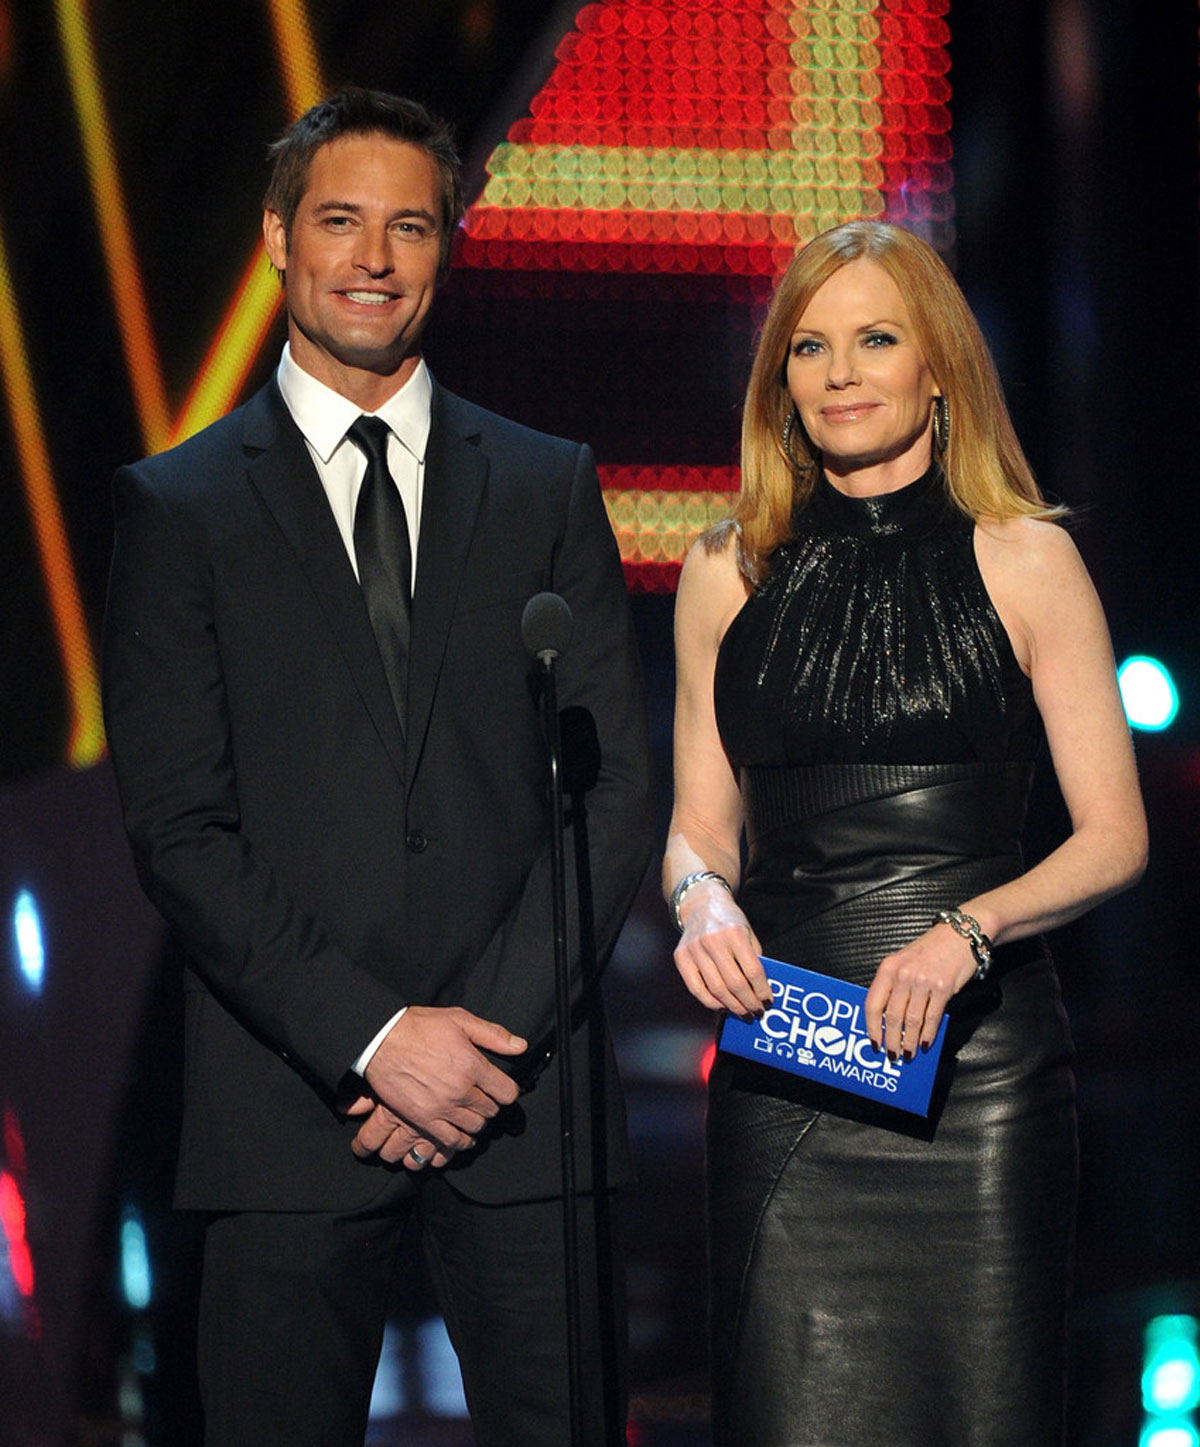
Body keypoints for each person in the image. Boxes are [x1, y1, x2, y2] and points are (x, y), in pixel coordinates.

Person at [102, 88, 652, 1447]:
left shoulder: (544, 483)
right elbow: (179, 824)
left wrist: (473, 1047)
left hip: (525, 1108)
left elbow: (612, 784)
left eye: (410, 226)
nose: (374, 257)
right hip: (291, 1110)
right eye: (340, 221)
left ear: (447, 246)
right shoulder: (177, 509)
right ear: (279, 237)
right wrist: (376, 1038)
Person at [664, 219, 1146, 1446]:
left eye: (875, 339)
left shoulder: (1028, 558)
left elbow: (1113, 836)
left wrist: (963, 936)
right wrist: (701, 902)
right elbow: (697, 829)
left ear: (938, 365)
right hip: (792, 1069)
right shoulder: (727, 572)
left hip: (979, 1075)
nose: (839, 374)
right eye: (810, 349)